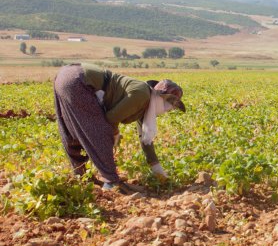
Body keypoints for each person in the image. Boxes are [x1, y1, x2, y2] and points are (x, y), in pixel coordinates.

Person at [53, 63, 185, 190]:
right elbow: (111, 118)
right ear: (162, 99)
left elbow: (145, 139)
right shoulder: (142, 95)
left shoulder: (146, 103)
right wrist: (115, 134)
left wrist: (158, 171)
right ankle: (111, 182)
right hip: (79, 80)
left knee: (72, 131)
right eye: (170, 105)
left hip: (67, 76)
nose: (169, 109)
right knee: (101, 131)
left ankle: (82, 177)